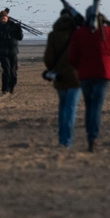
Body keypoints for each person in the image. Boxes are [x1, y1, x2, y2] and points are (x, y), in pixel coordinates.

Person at [68, 6, 110, 152]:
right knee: (96, 106)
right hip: (102, 75)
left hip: (85, 75)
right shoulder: (108, 32)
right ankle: (93, 137)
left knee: (89, 106)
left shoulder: (79, 33)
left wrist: (79, 66)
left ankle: (90, 136)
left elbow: (72, 57)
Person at [44, 9, 81, 147]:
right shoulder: (77, 34)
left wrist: (52, 69)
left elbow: (48, 58)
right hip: (75, 77)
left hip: (59, 77)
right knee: (71, 108)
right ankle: (67, 140)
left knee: (62, 106)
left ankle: (62, 138)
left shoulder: (53, 35)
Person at [0, 10, 24, 94]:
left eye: (4, 18)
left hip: (13, 52)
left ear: (7, 18)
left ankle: (12, 87)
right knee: (6, 71)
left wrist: (19, 29)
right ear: (0, 19)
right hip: (3, 53)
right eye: (1, 18)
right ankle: (5, 89)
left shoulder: (13, 27)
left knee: (13, 73)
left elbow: (20, 38)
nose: (3, 19)